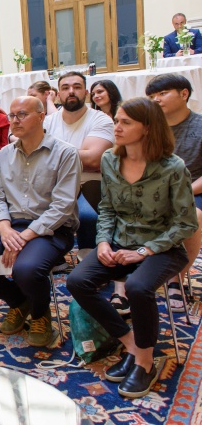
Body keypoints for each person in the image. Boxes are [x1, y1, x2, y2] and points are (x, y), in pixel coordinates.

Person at [67, 98, 197, 399]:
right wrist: (102, 242)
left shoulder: (172, 167)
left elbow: (186, 223)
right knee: (77, 281)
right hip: (120, 243)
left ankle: (146, 360)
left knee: (138, 287)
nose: (117, 127)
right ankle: (130, 343)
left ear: (148, 128)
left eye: (125, 122)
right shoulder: (111, 160)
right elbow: (109, 209)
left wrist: (145, 251)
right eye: (117, 121)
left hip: (163, 247)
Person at [0, 96, 81, 347]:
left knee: (26, 268)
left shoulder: (65, 153)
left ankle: (40, 312)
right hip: (8, 224)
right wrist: (4, 228)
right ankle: (19, 301)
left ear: (41, 116)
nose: (14, 121)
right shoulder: (4, 153)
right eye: (12, 116)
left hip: (50, 228)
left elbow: (62, 206)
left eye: (22, 114)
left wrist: (24, 237)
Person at [146, 74, 202, 311]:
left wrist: (180, 192)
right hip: (152, 191)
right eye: (152, 96)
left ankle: (176, 279)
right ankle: (126, 277)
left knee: (193, 217)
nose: (156, 100)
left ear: (184, 94)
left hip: (193, 190)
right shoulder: (147, 128)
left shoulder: (199, 126)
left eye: (162, 93)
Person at [43, 71, 114, 256]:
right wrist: (77, 153)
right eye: (65, 88)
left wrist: (52, 153)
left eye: (77, 87)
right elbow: (35, 157)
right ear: (58, 95)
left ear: (86, 93)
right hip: (52, 184)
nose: (71, 91)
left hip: (89, 185)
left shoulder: (100, 119)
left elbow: (93, 159)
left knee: (87, 217)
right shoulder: (48, 122)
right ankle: (52, 258)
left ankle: (89, 262)